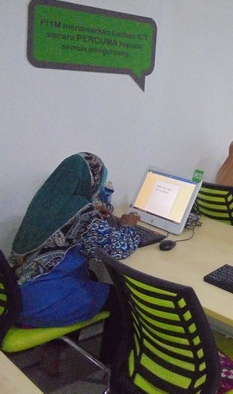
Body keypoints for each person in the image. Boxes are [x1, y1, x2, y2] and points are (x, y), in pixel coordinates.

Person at [9, 152, 140, 374]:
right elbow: (119, 248)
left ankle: (53, 352)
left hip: (14, 297)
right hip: (38, 305)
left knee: (89, 277)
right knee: (123, 300)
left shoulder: (45, 202)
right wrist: (129, 225)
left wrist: (95, 211)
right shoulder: (83, 213)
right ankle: (113, 369)